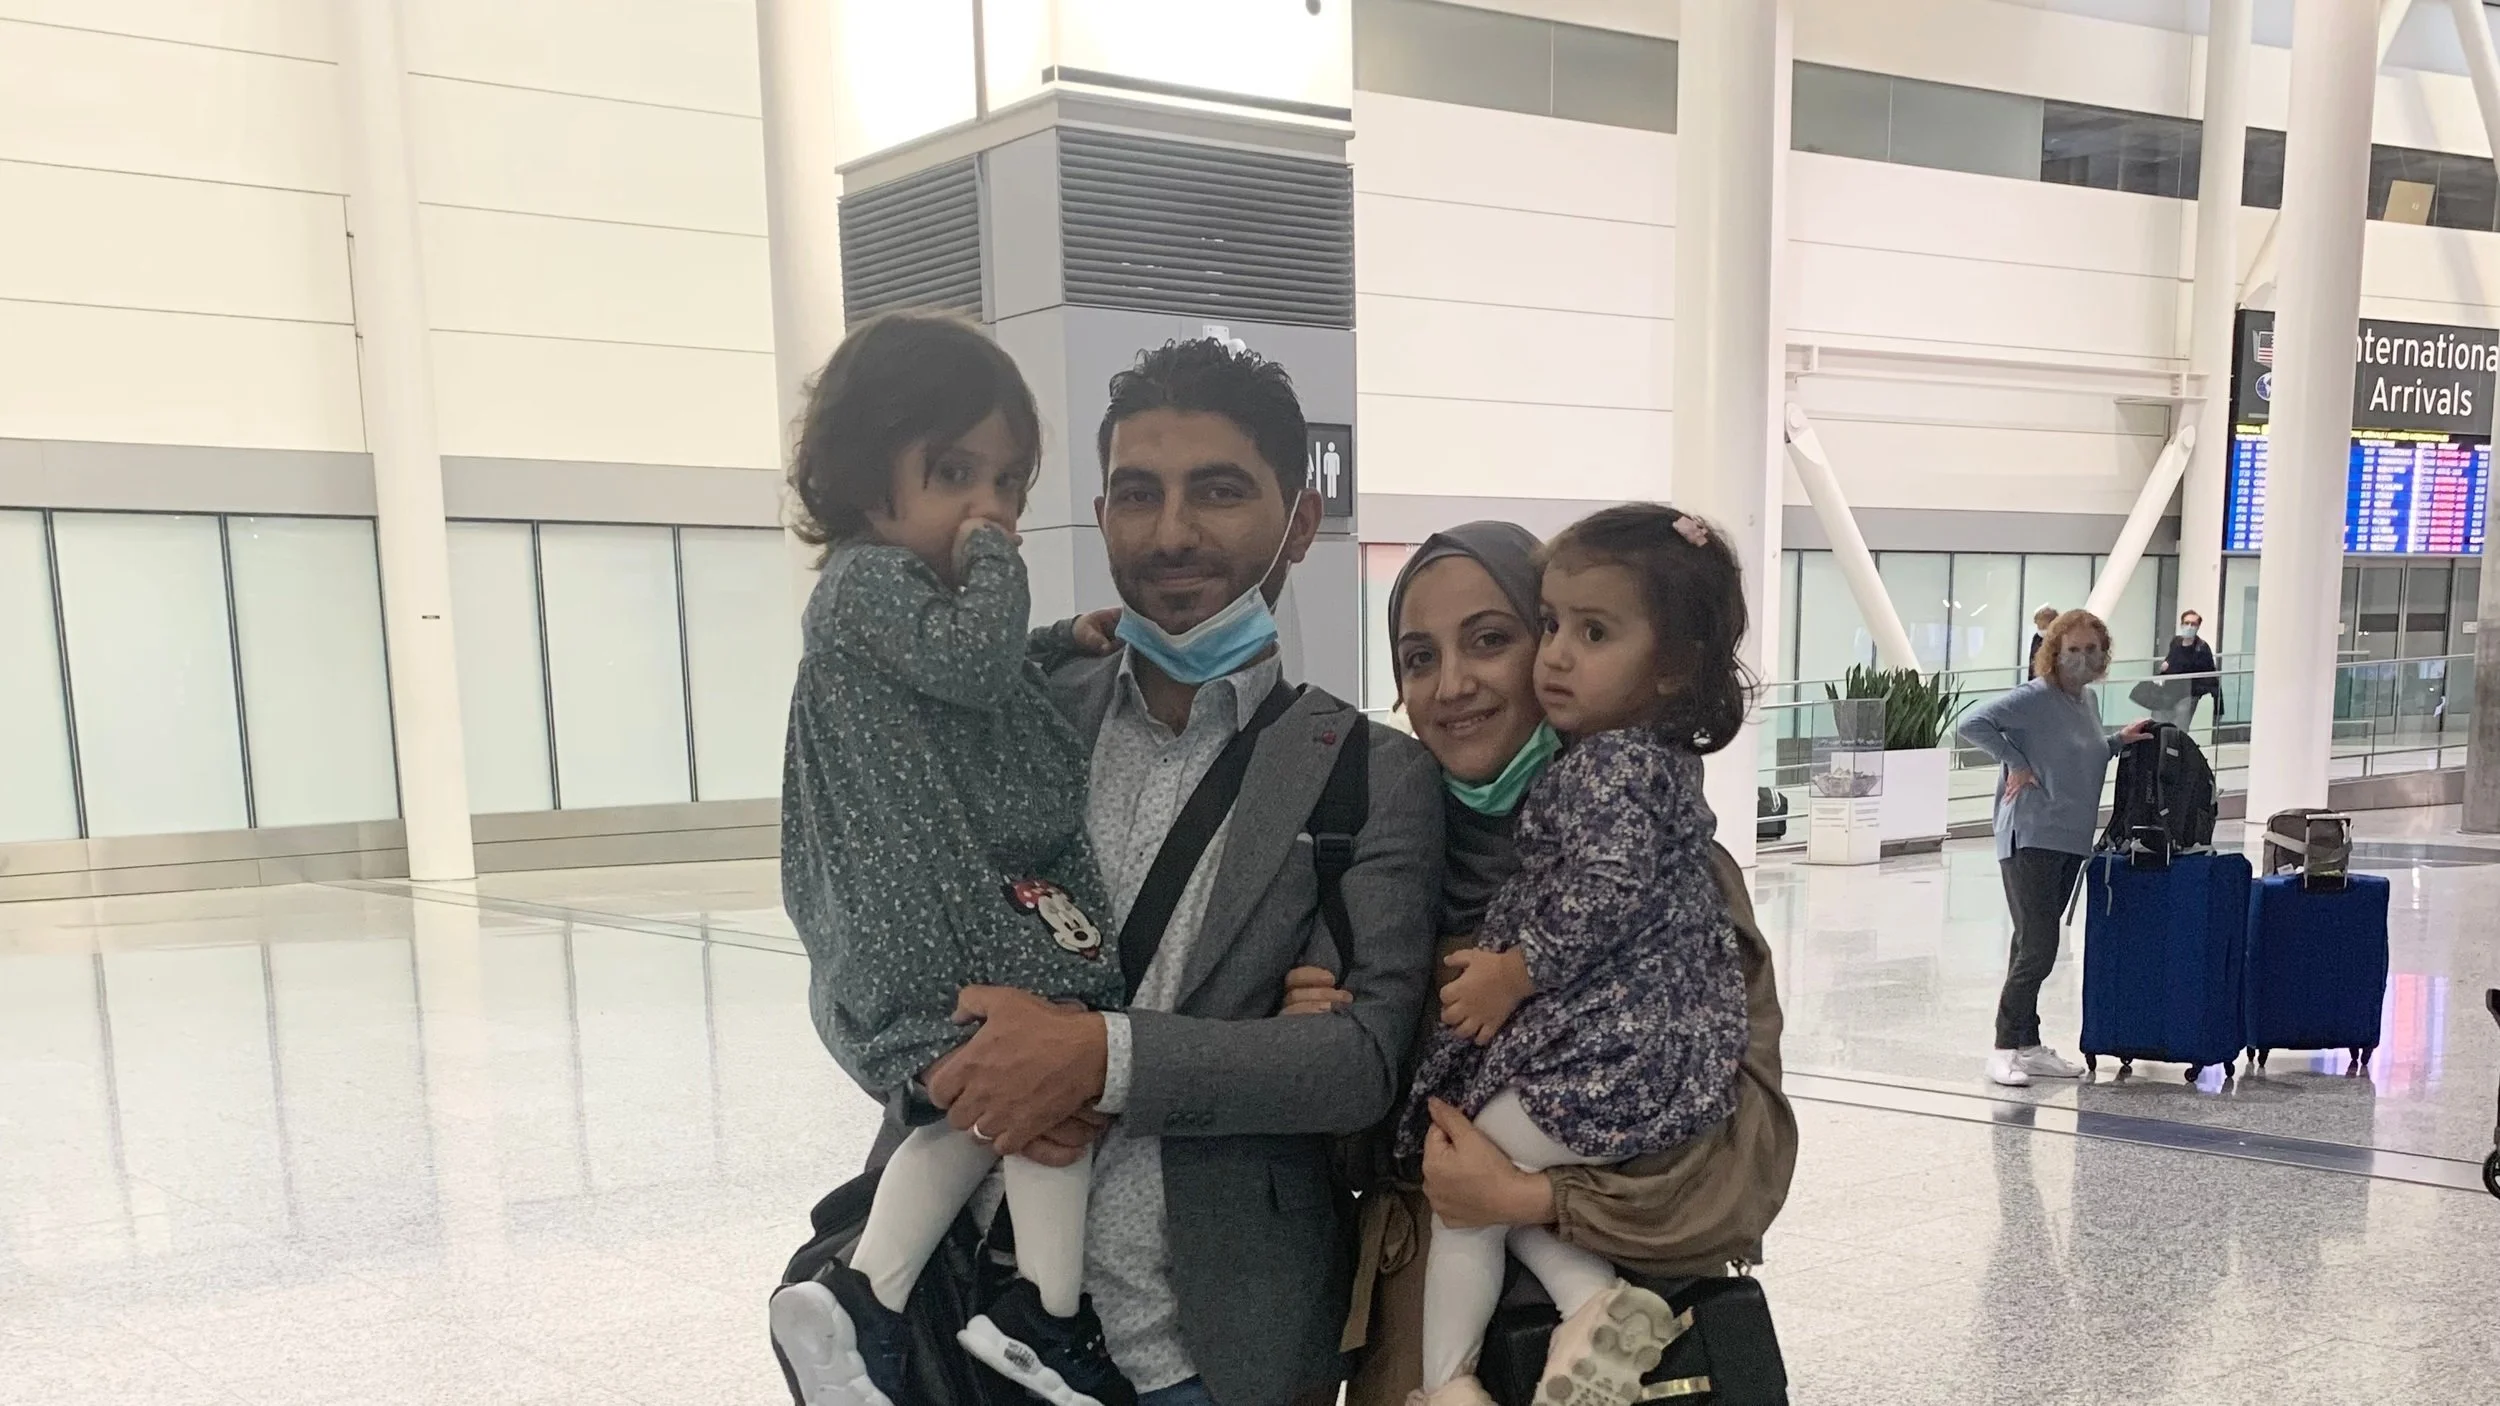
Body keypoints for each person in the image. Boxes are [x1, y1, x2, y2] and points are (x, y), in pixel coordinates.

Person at [910, 338, 1447, 1406]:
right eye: (1137, 494)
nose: (1171, 533)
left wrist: (1096, 1057)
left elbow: (1356, 1061)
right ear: (1101, 511)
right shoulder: (1012, 712)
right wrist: (945, 1060)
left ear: (1299, 519)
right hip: (969, 1307)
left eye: (1218, 491)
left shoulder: (1370, 775)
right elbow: (888, 943)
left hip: (1204, 1348)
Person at [1320, 524, 1795, 1406]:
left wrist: (1534, 1200)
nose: (1452, 684)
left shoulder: (1669, 879)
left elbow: (1745, 1172)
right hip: (1407, 1327)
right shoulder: (1374, 873)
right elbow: (1352, 1159)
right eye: (1419, 656)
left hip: (1614, 1362)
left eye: (1492, 639)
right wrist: (1322, 1037)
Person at [769, 313, 1134, 1406]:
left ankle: (1008, 1311)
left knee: (1020, 1092)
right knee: (1012, 1076)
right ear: (862, 479)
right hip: (920, 907)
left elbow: (970, 663)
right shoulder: (868, 580)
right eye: (956, 473)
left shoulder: (897, 606)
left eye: (1011, 484)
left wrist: (1057, 637)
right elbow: (969, 661)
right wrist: (993, 562)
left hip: (929, 894)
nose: (992, 509)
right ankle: (922, 1299)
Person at [1955, 609, 2152, 1089]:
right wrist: (2015, 763)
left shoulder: (2084, 702)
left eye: (2091, 650)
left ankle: (2027, 1042)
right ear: (2053, 654)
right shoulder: (2035, 697)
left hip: (2069, 836)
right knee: (2039, 948)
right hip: (2032, 833)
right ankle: (2003, 1048)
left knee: (2030, 943)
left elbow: (2079, 752)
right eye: (2072, 651)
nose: (2082, 659)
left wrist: (2116, 742)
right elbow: (1971, 723)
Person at [2153, 609, 2221, 730]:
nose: (2189, 627)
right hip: (2170, 690)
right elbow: (2171, 660)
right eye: (2187, 623)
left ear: (2198, 627)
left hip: (2188, 693)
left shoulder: (2202, 648)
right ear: (2181, 624)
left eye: (2193, 624)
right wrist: (2165, 666)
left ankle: (2178, 747)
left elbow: (2209, 674)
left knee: (2180, 728)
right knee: (2159, 722)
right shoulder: (2176, 642)